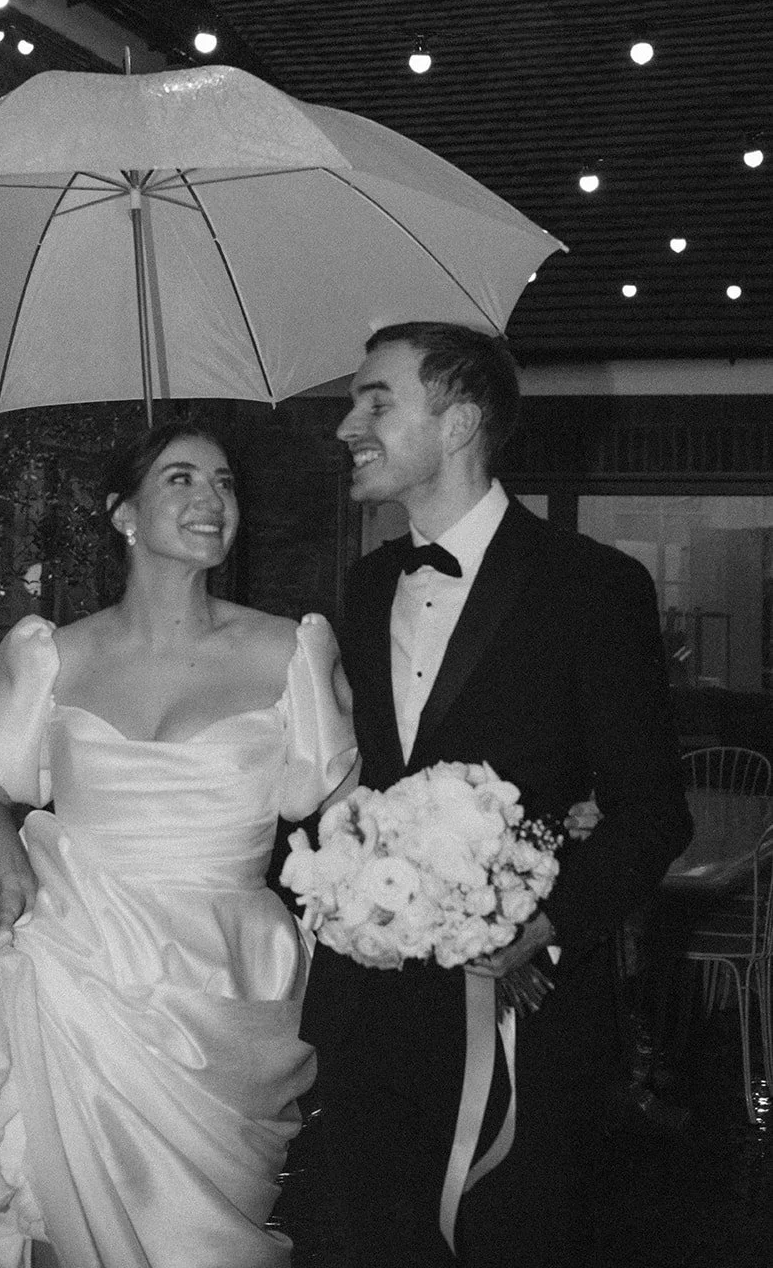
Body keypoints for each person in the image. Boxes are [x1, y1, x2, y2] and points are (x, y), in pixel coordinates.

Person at [0, 417, 357, 1268]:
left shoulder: (288, 649)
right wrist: (9, 875)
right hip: (73, 966)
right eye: (181, 479)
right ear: (123, 514)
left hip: (219, 982)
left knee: (203, 1238)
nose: (211, 499)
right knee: (51, 1210)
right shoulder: (53, 655)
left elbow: (341, 812)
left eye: (224, 482)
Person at [300, 322, 693, 1268]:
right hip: (374, 1011)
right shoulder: (359, 587)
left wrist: (542, 920)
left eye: (375, 401)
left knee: (509, 1237)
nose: (348, 424)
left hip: (526, 1010)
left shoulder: (592, 586)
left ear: (460, 420)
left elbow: (650, 812)